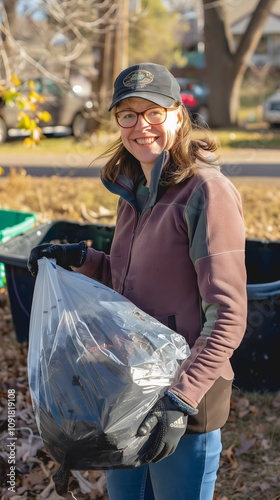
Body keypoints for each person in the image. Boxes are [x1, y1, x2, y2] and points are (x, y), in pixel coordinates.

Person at [28, 63, 247, 500]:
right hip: (128, 387)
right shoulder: (135, 191)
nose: (140, 126)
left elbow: (228, 315)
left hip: (184, 396)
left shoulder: (205, 191)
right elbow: (134, 286)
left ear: (178, 116)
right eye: (127, 114)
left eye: (153, 112)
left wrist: (181, 399)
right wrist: (81, 259)